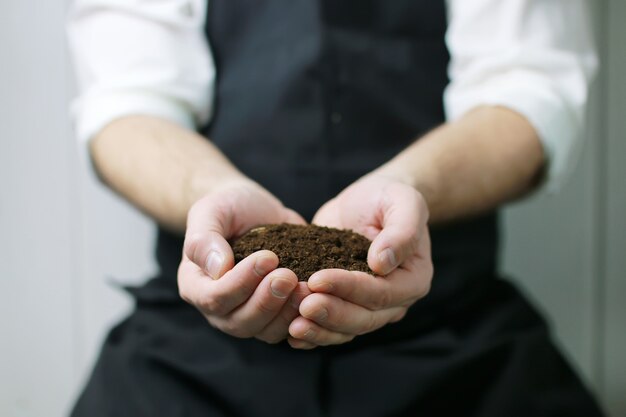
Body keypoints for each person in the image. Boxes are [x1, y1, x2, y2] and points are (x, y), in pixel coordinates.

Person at [67, 0, 604, 416]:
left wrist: (407, 185)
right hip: (188, 351)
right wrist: (211, 194)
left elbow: (530, 87)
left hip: (453, 338)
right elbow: (127, 103)